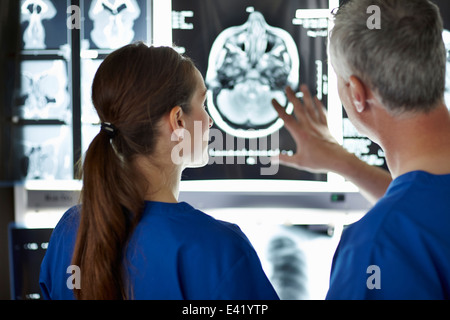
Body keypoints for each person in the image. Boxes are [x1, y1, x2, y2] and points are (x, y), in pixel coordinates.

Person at [39, 42, 279, 300]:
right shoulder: (220, 250)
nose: (209, 121)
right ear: (178, 121)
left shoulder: (70, 231)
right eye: (203, 103)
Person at [272, 0, 450, 299]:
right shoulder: (405, 230)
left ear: (357, 94)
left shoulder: (376, 249)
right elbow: (431, 210)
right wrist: (345, 162)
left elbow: (414, 224)